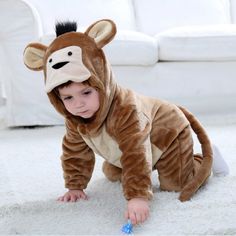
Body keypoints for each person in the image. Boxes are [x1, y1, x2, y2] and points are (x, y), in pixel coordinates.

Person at [23, 19, 228, 226]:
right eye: (68, 98)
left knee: (175, 184)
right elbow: (75, 151)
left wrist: (138, 196)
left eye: (86, 92)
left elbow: (135, 150)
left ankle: (200, 160)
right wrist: (75, 186)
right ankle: (142, 167)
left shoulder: (125, 109)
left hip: (166, 135)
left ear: (102, 82)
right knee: (113, 173)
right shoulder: (75, 119)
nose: (78, 104)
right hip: (136, 145)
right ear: (57, 99)